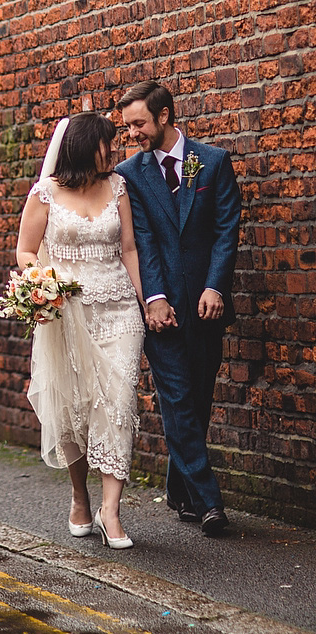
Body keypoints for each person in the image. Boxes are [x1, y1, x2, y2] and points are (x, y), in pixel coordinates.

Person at [114, 81, 241, 536]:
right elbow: (141, 241)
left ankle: (179, 490)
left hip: (207, 305)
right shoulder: (129, 173)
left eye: (138, 123)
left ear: (165, 116)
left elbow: (227, 230)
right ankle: (209, 501)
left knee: (199, 398)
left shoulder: (212, 161)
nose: (132, 133)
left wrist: (215, 287)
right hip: (161, 311)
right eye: (128, 125)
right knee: (178, 401)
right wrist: (154, 298)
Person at [16, 112, 146, 549]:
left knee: (119, 399)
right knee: (74, 406)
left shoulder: (118, 188)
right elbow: (26, 250)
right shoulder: (46, 193)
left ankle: (112, 511)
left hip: (119, 311)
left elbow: (128, 248)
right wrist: (43, 283)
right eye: (107, 143)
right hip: (68, 313)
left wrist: (147, 303)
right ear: (84, 145)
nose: (114, 149)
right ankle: (79, 496)